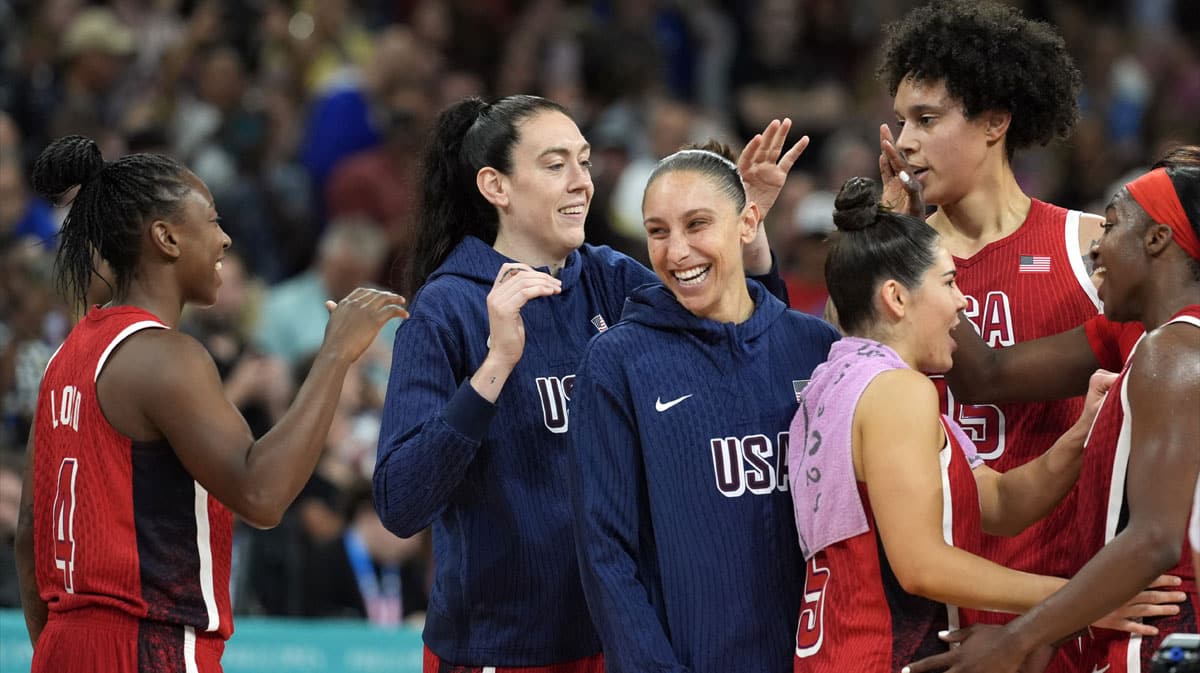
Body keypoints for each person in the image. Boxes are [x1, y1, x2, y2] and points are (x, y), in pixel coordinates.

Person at [372, 95, 806, 672]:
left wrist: (743, 235)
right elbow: (401, 503)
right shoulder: (447, 309)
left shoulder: (611, 279)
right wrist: (495, 366)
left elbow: (751, 352)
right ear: (496, 186)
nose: (581, 183)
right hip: (502, 649)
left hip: (623, 635)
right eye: (555, 166)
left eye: (584, 162)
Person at [14, 135, 406, 672]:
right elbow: (262, 495)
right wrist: (336, 353)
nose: (224, 240)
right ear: (166, 238)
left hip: (64, 645)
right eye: (213, 221)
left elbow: (28, 535)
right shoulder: (167, 356)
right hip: (149, 645)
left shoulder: (67, 357)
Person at [788, 177, 1182, 673]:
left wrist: (1082, 433)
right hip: (881, 651)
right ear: (896, 297)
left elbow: (997, 503)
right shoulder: (895, 391)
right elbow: (922, 565)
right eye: (949, 283)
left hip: (836, 650)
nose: (962, 304)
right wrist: (1085, 604)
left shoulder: (837, 379)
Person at [874, 3, 1109, 667]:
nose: (904, 141)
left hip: (1075, 602)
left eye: (927, 118)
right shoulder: (890, 266)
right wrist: (888, 243)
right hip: (933, 614)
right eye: (900, 120)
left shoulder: (1089, 246)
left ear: (995, 122)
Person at [904, 167, 1200, 673]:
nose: (1096, 247)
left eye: (1110, 226)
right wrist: (913, 247)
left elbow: (1154, 538)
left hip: (1164, 634)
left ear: (1157, 239)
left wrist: (1017, 639)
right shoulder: (1157, 343)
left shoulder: (1172, 350)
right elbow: (987, 375)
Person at [568, 145, 838, 673]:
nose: (677, 252)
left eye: (697, 224)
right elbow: (605, 555)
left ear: (748, 222)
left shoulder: (816, 348)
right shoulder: (617, 362)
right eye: (658, 231)